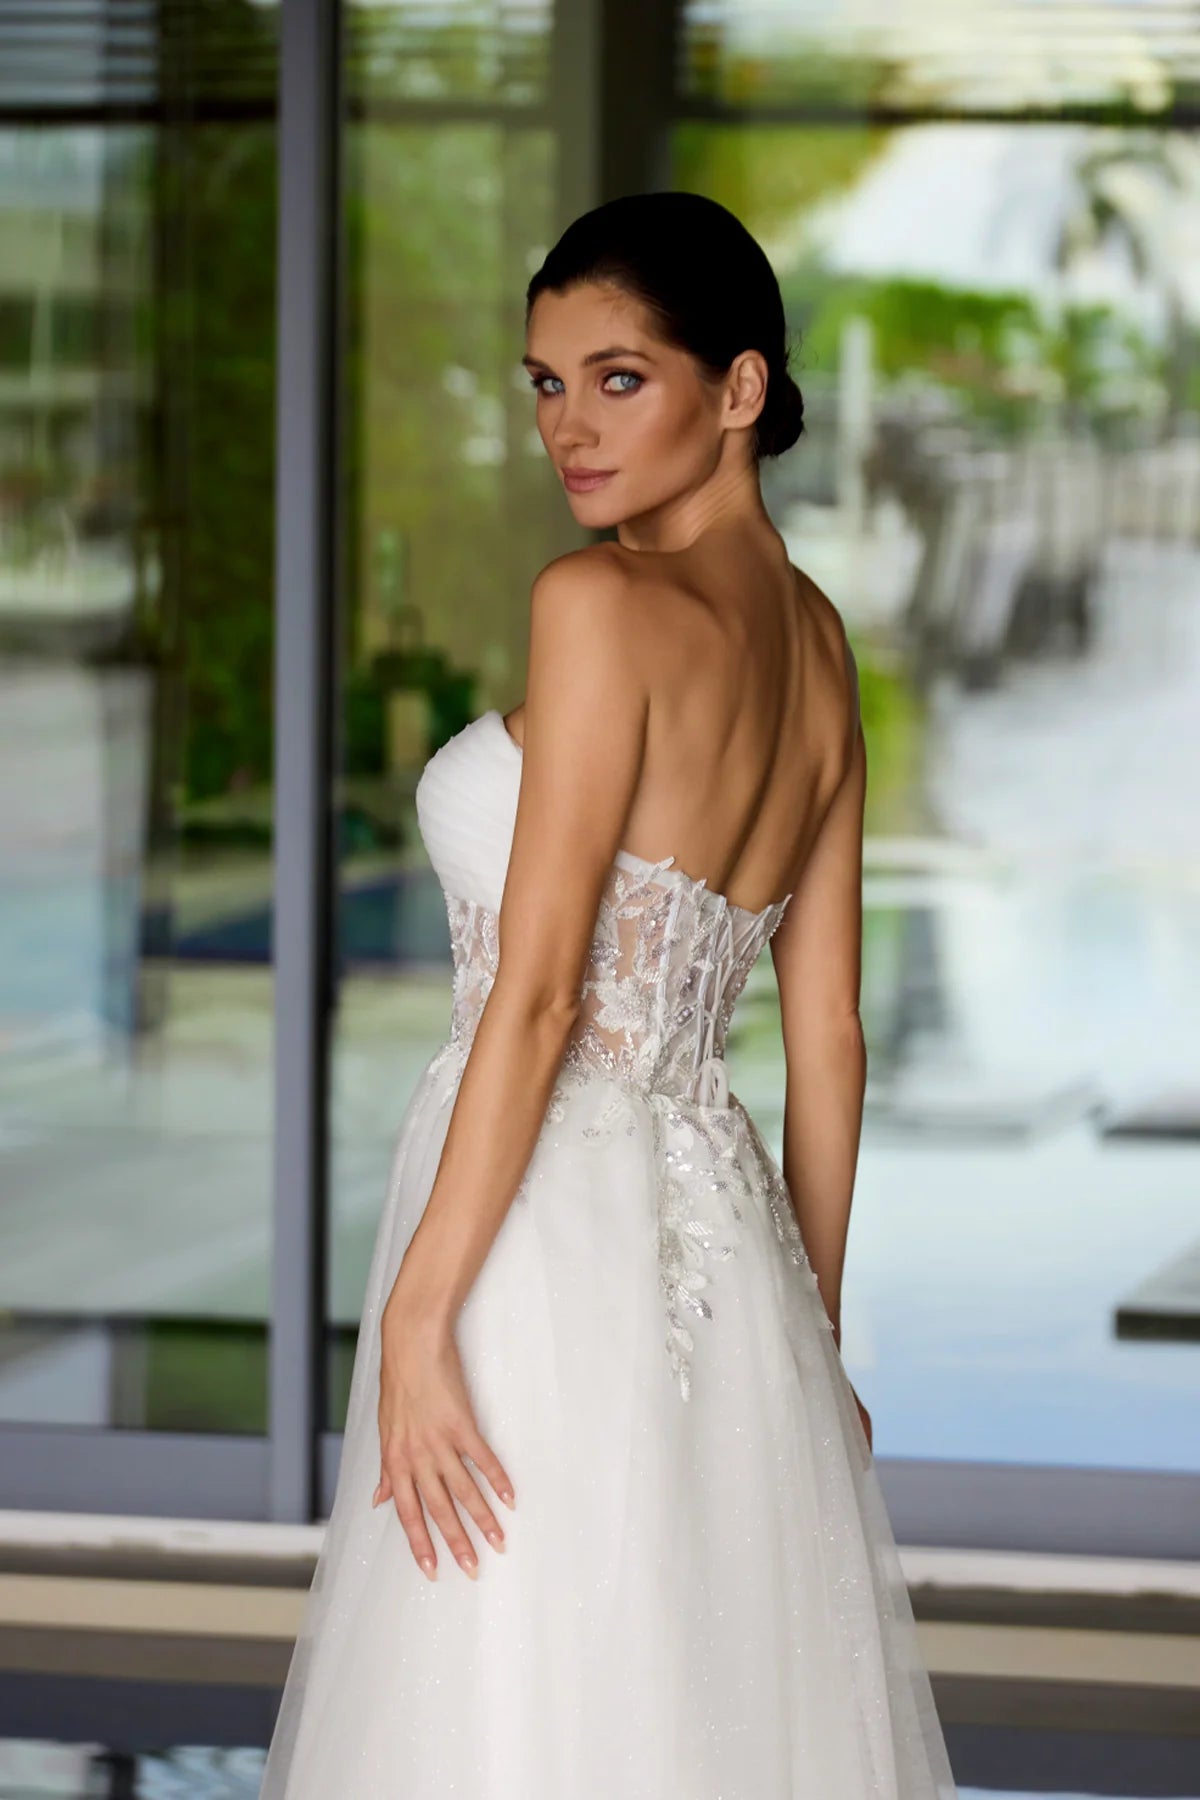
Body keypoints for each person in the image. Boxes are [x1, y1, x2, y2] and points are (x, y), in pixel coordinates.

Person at [260, 190, 958, 1798]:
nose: (567, 427)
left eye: (618, 378)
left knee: (509, 1695)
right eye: (545, 383)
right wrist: (808, 1342)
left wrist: (418, 1315)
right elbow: (828, 1041)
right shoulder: (823, 647)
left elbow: (539, 1000)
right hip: (731, 1256)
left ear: (741, 388)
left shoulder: (597, 606)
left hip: (533, 1228)